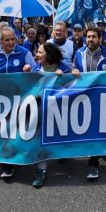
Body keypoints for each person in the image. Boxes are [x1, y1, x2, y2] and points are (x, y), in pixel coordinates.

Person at [0, 27, 35, 180]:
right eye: (7, 40)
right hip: (1, 99)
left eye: (13, 39)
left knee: (20, 130)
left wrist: (29, 69)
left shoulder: (24, 52)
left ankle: (22, 156)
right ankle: (7, 163)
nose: (11, 42)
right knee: (5, 131)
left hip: (21, 98)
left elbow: (37, 71)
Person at [24, 42, 70, 188]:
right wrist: (26, 74)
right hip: (40, 110)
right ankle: (42, 171)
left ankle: (62, 153)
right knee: (41, 138)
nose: (36, 55)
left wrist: (66, 77)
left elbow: (75, 86)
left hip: (60, 110)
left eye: (39, 52)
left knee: (60, 135)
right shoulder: (36, 68)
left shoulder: (63, 68)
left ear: (49, 55)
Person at [71, 27, 106, 180]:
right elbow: (73, 67)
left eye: (93, 36)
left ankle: (93, 164)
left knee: (96, 129)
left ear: (100, 38)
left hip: (99, 99)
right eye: (88, 37)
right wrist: (73, 69)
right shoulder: (78, 53)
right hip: (81, 97)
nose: (90, 39)